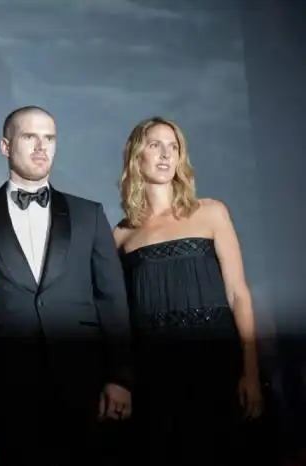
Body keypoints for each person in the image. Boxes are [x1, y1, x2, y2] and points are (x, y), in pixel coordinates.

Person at [0, 106, 133, 466]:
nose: (41, 146)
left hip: (84, 380)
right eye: (29, 137)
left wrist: (120, 377)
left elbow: (112, 299)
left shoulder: (90, 214)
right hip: (6, 385)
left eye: (49, 138)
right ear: (5, 147)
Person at [112, 116, 263, 465]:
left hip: (216, 363)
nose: (166, 154)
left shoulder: (211, 212)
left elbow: (239, 294)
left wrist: (251, 373)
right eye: (155, 145)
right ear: (137, 156)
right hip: (155, 371)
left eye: (174, 146)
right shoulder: (120, 235)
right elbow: (119, 317)